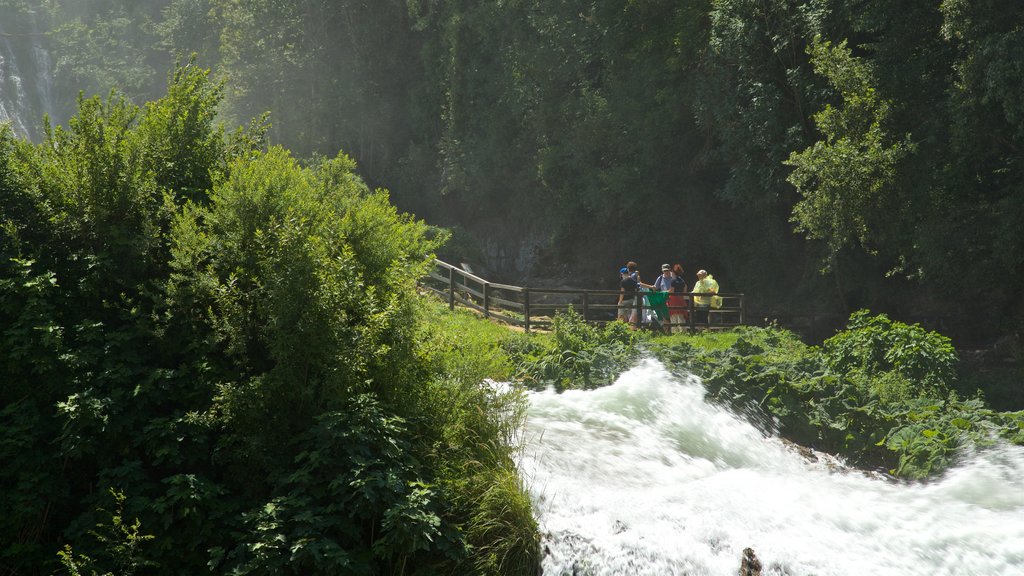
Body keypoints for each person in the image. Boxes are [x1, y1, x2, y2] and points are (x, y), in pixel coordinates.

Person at [668, 264, 688, 333]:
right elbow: (685, 290)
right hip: (681, 299)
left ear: (673, 272)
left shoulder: (673, 281)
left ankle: (675, 331)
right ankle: (683, 331)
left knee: (674, 316)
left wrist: (666, 292)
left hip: (674, 299)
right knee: (681, 315)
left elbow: (671, 291)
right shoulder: (682, 281)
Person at [619, 264, 640, 328]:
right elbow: (636, 289)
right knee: (630, 315)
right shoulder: (633, 281)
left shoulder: (623, 281)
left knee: (621, 315)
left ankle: (622, 328)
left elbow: (622, 292)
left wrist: (620, 301)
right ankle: (632, 329)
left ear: (622, 274)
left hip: (624, 301)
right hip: (632, 300)